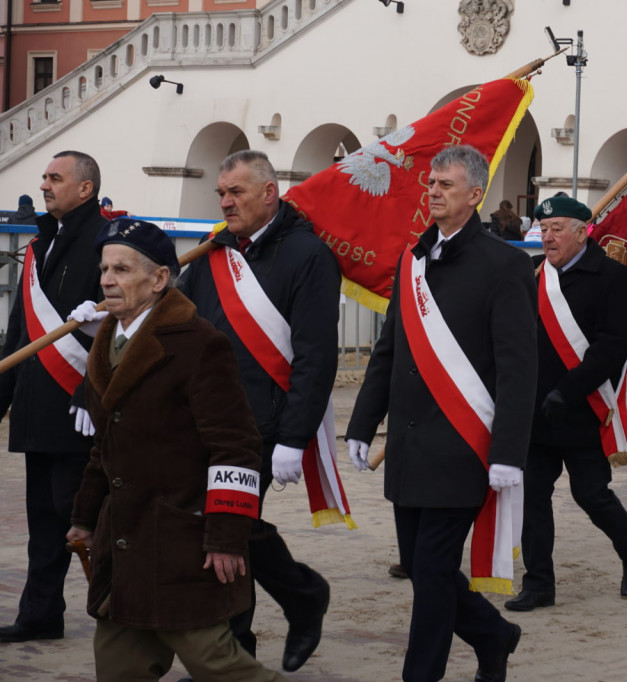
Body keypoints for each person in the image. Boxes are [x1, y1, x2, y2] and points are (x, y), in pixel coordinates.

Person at [345, 145, 536, 682]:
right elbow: (390, 349)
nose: (433, 191)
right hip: (408, 448)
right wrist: (362, 422)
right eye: (431, 182)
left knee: (429, 572)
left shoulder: (505, 265)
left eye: (446, 184)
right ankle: (494, 635)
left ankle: (420, 674)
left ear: (475, 196)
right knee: (428, 567)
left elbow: (519, 368)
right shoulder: (413, 260)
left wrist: (508, 453)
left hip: (463, 445)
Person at [64, 220, 286, 682]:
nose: (107, 279)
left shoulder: (200, 344)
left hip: (180, 543)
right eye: (105, 268)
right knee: (119, 670)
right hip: (123, 547)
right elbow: (104, 446)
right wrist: (85, 518)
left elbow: (236, 446)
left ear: (159, 278)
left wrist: (226, 536)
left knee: (219, 666)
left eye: (122, 269)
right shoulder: (106, 340)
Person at [177, 149, 338, 673]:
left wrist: (295, 436)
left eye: (236, 192)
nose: (225, 202)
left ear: (269, 193)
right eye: (221, 193)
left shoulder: (308, 254)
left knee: (229, 528)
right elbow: (182, 324)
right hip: (203, 419)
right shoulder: (212, 253)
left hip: (260, 427)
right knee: (227, 526)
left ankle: (235, 652)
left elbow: (316, 355)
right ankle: (302, 594)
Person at [505, 194, 627, 612]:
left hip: (583, 409)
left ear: (583, 232)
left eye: (556, 229)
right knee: (532, 497)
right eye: (542, 229)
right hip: (536, 410)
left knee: (591, 494)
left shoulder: (612, 277)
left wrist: (567, 390)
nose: (546, 237)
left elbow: (611, 348)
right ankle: (538, 584)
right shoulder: (534, 278)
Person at [0, 151, 105, 643]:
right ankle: (40, 615)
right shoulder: (40, 246)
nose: (44, 185)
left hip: (83, 410)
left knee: (87, 519)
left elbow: (129, 334)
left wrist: (92, 390)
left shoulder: (109, 243)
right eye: (44, 177)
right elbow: (19, 337)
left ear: (84, 189)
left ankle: (121, 613)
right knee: (43, 522)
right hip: (37, 409)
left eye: (55, 178)